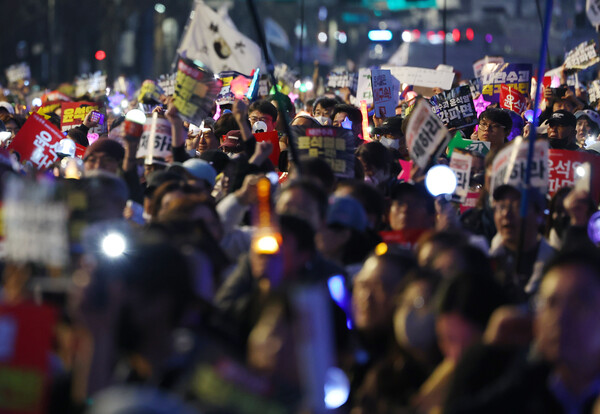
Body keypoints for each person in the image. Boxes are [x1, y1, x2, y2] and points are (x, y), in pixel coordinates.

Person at [444, 249, 600, 414]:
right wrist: (487, 348)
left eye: (579, 303)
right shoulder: (527, 387)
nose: (560, 318)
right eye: (551, 303)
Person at [489, 185, 556, 302]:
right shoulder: (486, 264)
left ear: (539, 215)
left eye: (518, 206)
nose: (506, 213)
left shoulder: (556, 265)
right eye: (501, 207)